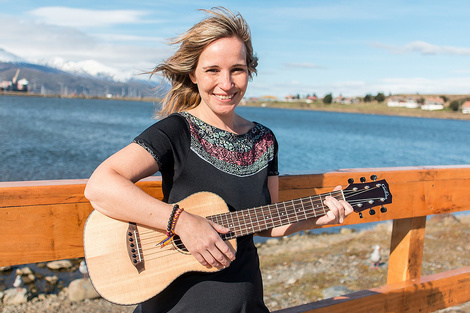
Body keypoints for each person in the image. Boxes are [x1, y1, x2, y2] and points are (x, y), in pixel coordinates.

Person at [84, 7, 353, 313]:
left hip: (246, 303)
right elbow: (100, 186)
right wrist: (183, 223)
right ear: (193, 74)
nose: (226, 84)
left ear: (248, 71)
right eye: (213, 70)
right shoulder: (176, 131)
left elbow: (268, 222)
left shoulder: (265, 140)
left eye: (237, 69)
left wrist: (318, 216)